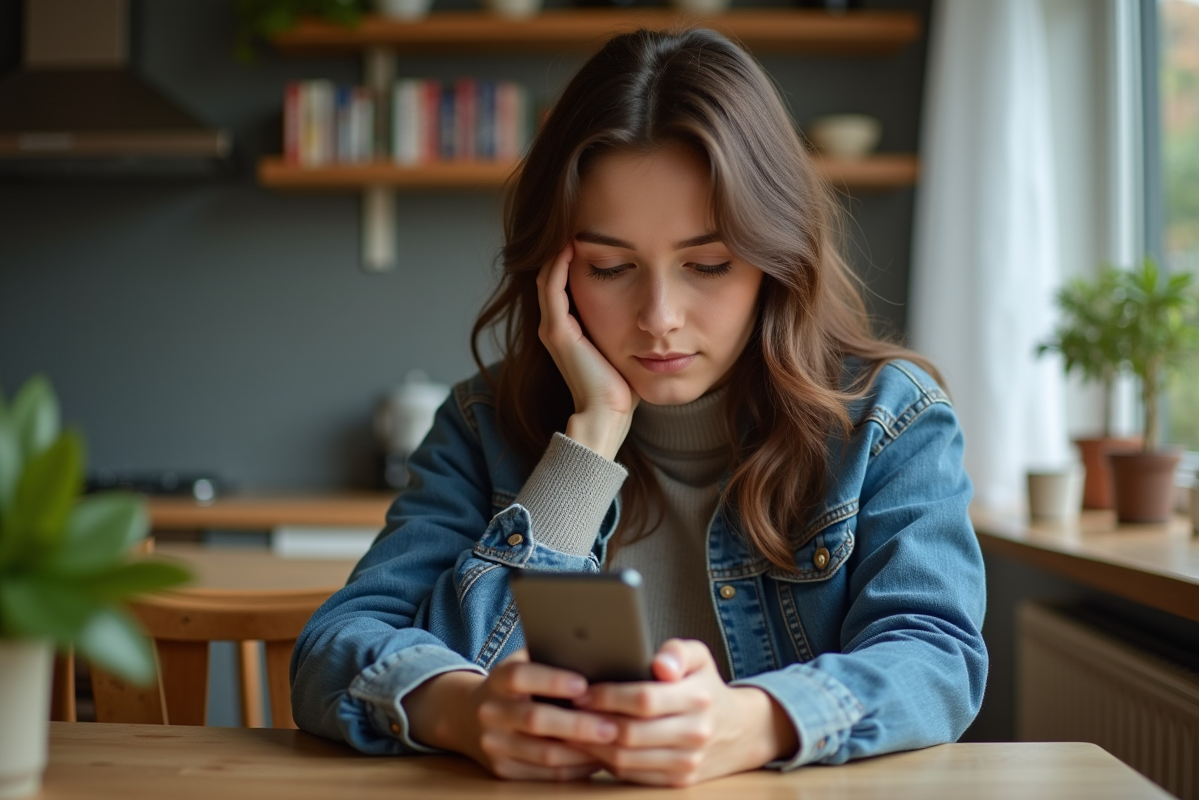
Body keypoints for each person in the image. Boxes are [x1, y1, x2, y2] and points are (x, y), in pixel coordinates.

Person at [291, 27, 987, 787]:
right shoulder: (482, 421)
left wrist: (751, 722)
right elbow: (335, 648)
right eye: (611, 266)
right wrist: (465, 711)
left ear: (775, 259)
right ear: (554, 269)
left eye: (709, 264)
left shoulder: (888, 419)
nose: (659, 316)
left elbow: (937, 657)